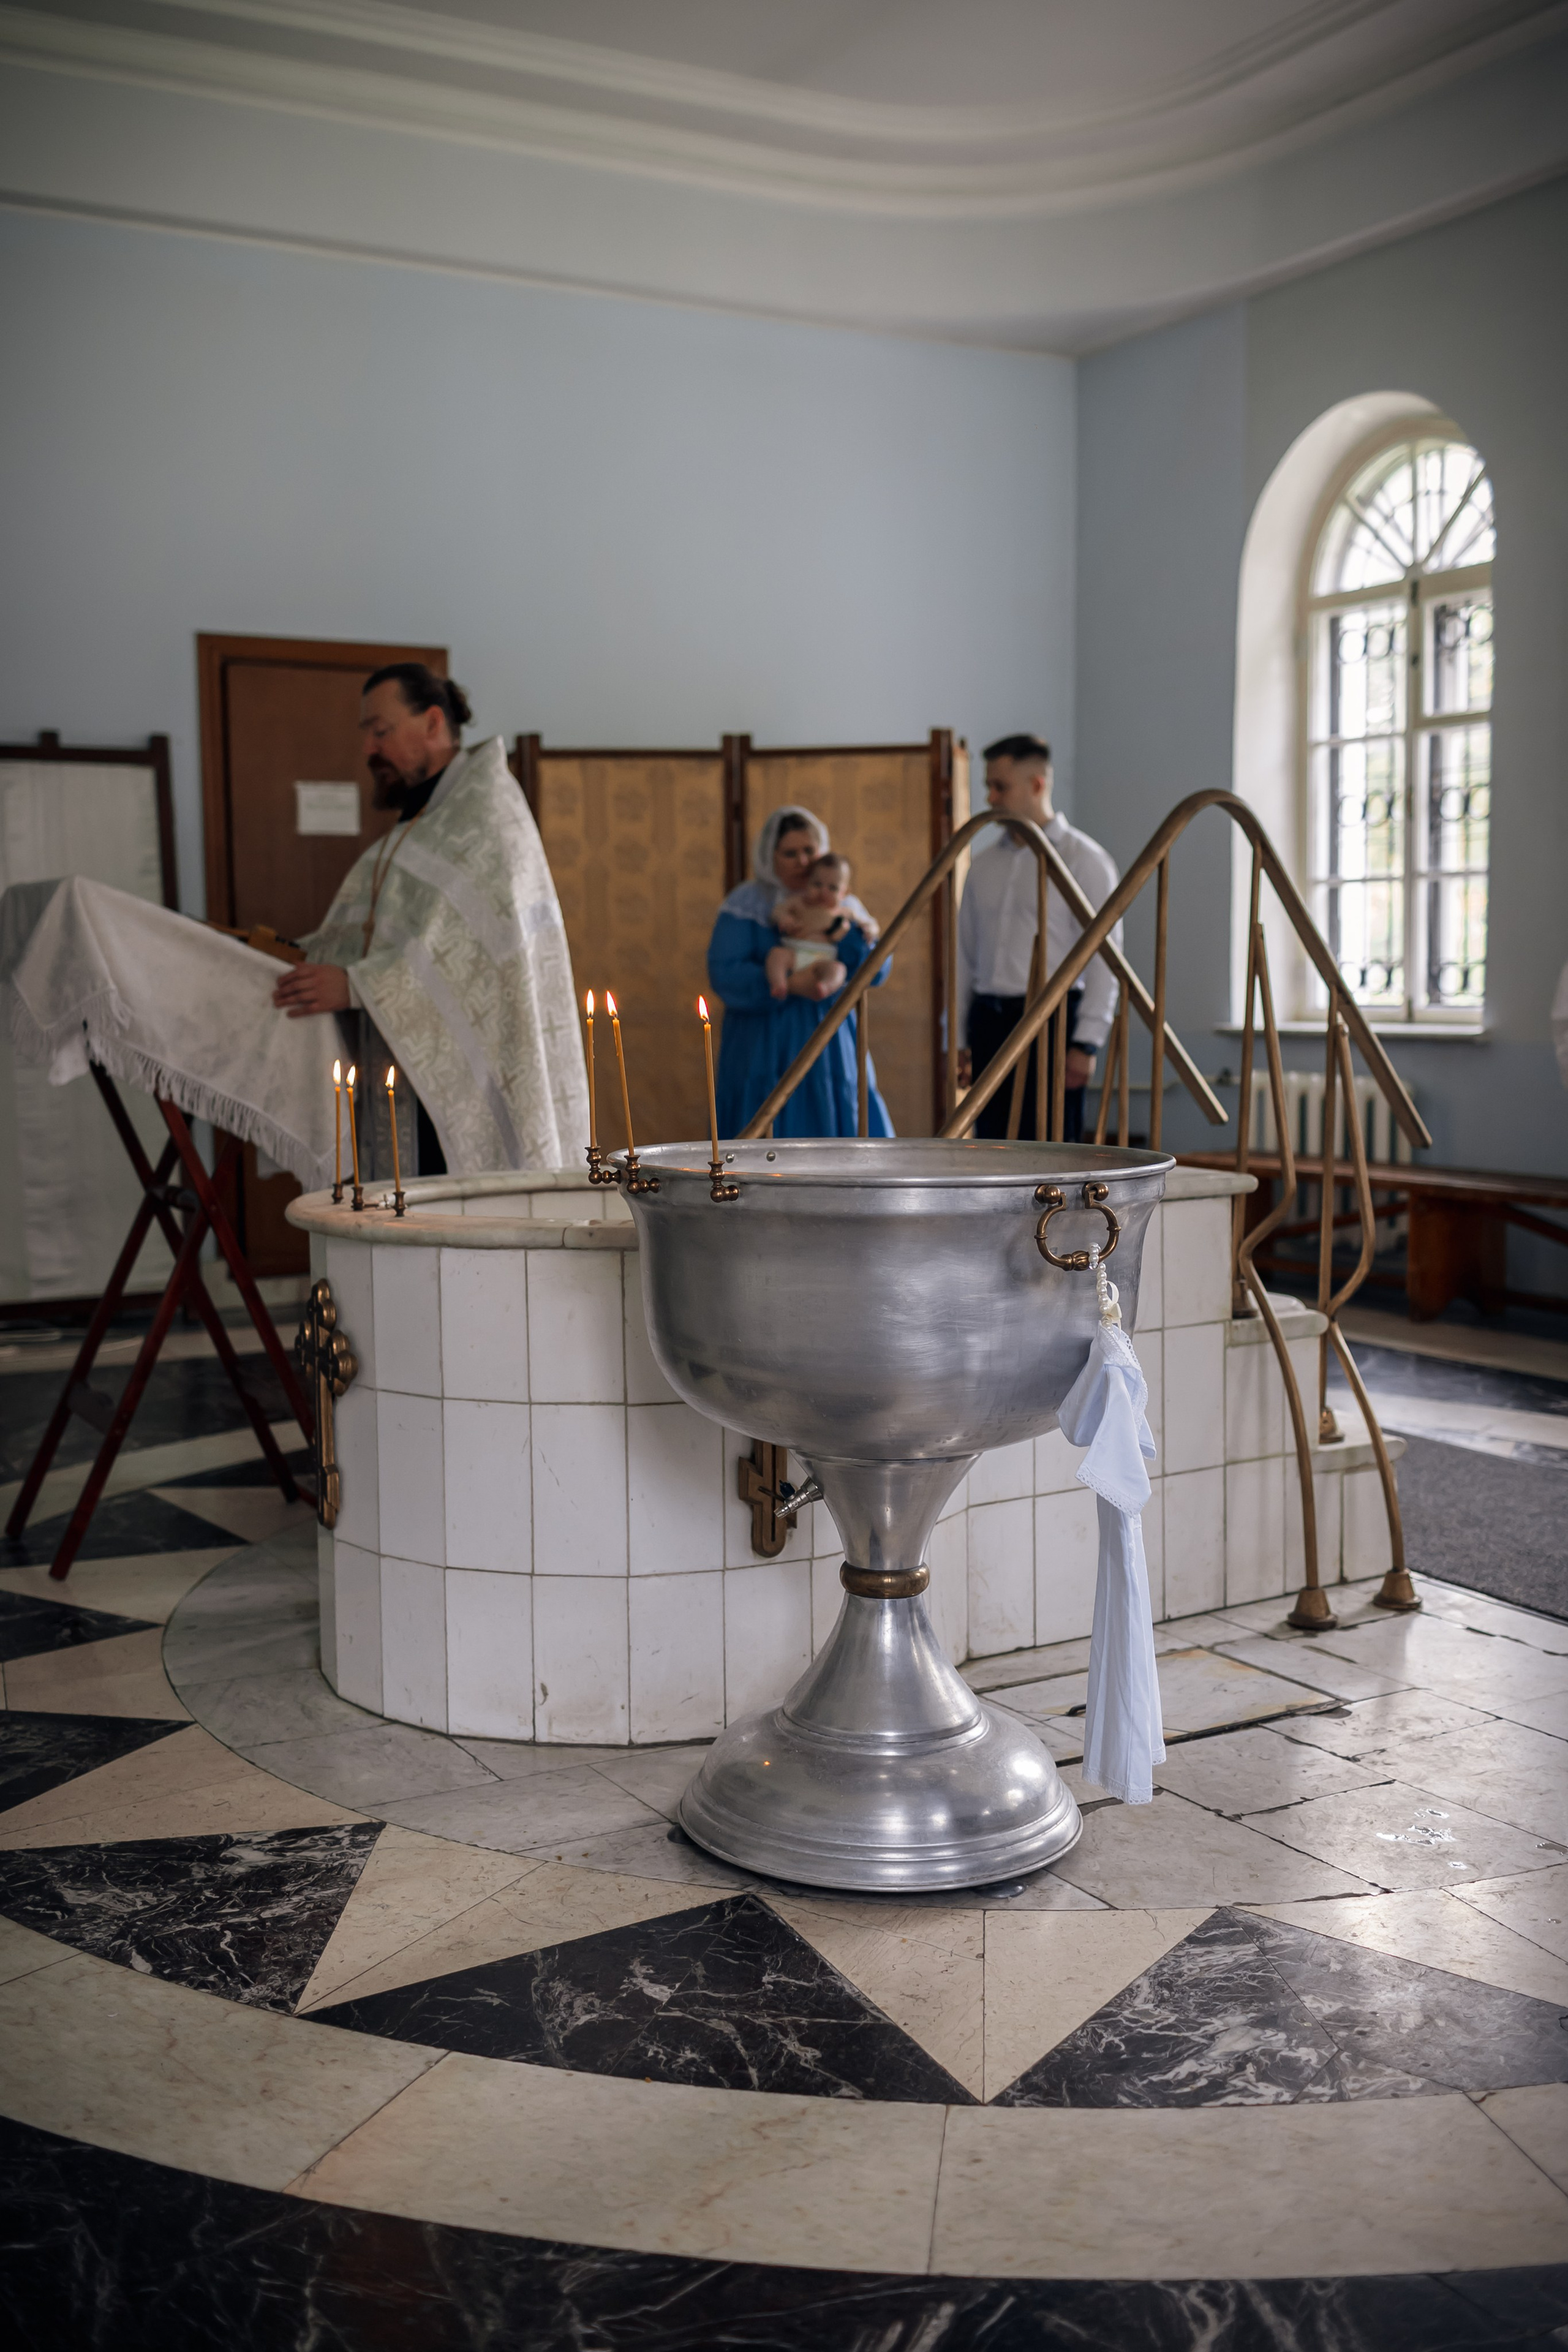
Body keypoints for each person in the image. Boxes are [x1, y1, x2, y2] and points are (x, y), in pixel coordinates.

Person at [271, 663, 586, 1178]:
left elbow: (472, 968)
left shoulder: (486, 818)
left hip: (474, 1081)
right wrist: (296, 956)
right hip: (405, 1080)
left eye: (381, 731)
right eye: (367, 735)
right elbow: (381, 935)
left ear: (434, 723)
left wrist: (354, 987)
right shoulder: (418, 827)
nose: (370, 750)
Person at [956, 734, 1121, 1142]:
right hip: (990, 1023)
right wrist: (959, 1037)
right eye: (988, 786)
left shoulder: (1085, 860)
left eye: (1001, 786)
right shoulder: (983, 865)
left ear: (1036, 784)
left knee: (1052, 1151)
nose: (991, 798)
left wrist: (1086, 1043)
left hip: (1054, 1020)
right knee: (991, 1150)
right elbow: (964, 954)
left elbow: (1107, 958)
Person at [709, 807, 891, 1138]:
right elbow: (725, 972)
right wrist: (791, 985)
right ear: (770, 856)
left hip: (830, 1043)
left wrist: (839, 930)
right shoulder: (747, 903)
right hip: (761, 1043)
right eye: (790, 853)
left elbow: (877, 969)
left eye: (810, 851)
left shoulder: (840, 902)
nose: (802, 862)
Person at [765, 852, 875, 999]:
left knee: (839, 970)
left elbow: (868, 922)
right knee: (776, 955)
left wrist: (870, 929)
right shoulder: (799, 902)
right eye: (817, 884)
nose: (823, 892)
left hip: (825, 958)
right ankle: (779, 985)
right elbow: (777, 911)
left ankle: (824, 987)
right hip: (795, 954)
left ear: (845, 893)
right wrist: (784, 918)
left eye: (833, 888)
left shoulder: (844, 911)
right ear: (807, 883)